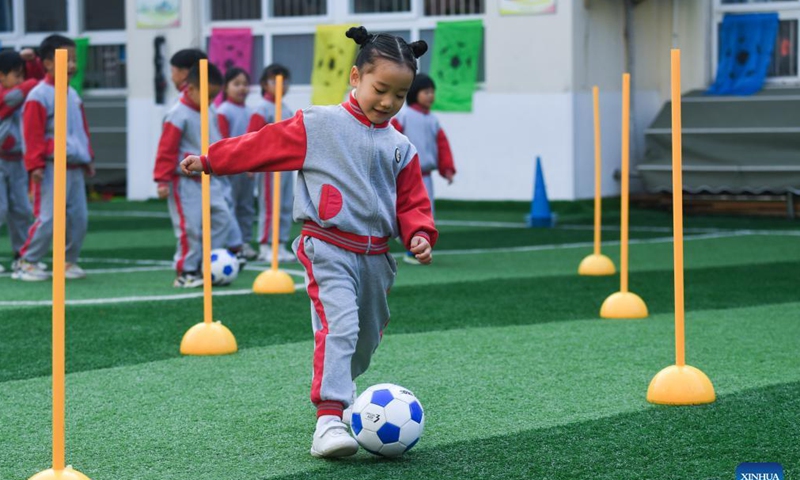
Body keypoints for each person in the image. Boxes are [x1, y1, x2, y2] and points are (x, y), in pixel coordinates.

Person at [180, 26, 436, 458]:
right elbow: (262, 145)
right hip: (327, 245)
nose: (388, 102)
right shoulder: (319, 124)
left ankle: (345, 394)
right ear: (355, 77)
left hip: (377, 258)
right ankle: (328, 421)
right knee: (341, 327)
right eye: (380, 89)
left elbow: (413, 201)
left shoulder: (401, 147)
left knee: (365, 340)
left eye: (400, 94)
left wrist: (419, 234)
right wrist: (211, 160)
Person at [14, 35, 93, 282]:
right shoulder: (39, 95)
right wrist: (35, 165)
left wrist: (87, 157)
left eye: (74, 59)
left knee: (79, 218)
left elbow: (81, 129)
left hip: (74, 165)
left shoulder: (73, 94)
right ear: (47, 63)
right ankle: (27, 261)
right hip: (50, 166)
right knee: (48, 217)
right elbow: (32, 134)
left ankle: (68, 261)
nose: (72, 65)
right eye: (66, 60)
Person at [154, 62, 238, 287]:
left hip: (209, 179)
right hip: (185, 183)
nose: (211, 101)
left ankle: (208, 265)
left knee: (222, 219)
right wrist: (162, 180)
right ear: (190, 89)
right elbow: (166, 149)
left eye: (214, 96)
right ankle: (186, 271)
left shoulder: (210, 111)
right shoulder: (177, 114)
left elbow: (218, 141)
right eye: (208, 95)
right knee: (189, 227)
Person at [392, 73, 456, 265]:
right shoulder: (404, 116)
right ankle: (409, 244)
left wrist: (447, 168)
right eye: (426, 92)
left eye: (432, 92)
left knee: (426, 212)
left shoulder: (433, 120)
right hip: (405, 174)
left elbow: (442, 145)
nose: (430, 95)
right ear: (414, 93)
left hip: (425, 176)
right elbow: (391, 138)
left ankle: (416, 248)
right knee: (405, 210)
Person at [248, 63, 296, 263]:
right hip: (269, 166)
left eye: (285, 82)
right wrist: (251, 163)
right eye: (275, 81)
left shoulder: (286, 109)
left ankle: (280, 244)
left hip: (286, 165)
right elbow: (252, 137)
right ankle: (265, 245)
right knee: (270, 206)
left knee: (285, 205)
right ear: (264, 84)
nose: (281, 85)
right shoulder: (262, 109)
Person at [0, 48, 41, 274]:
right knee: (0, 209)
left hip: (17, 161)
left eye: (22, 75)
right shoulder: (8, 95)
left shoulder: (22, 91)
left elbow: (37, 81)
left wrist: (32, 62)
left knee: (22, 210)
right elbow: (33, 84)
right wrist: (32, 77)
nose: (21, 80)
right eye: (16, 75)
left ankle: (21, 255)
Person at [217, 67, 257, 260]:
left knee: (246, 206)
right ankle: (233, 243)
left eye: (245, 84)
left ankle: (245, 241)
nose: (242, 88)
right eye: (236, 84)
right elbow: (222, 140)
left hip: (247, 167)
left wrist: (252, 163)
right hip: (230, 168)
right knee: (229, 205)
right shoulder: (223, 111)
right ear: (226, 87)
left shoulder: (251, 112)